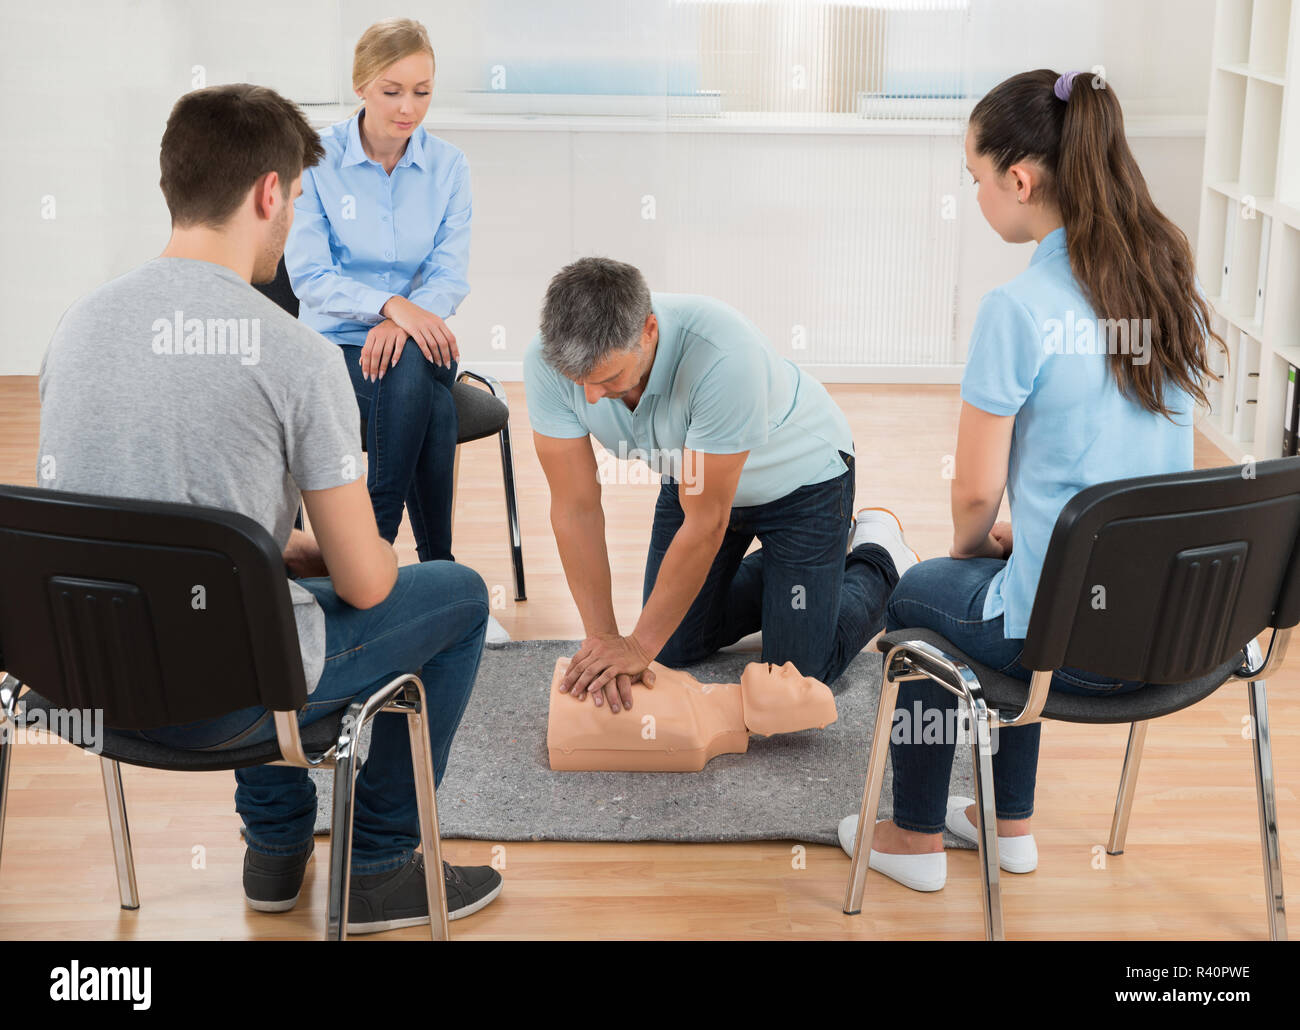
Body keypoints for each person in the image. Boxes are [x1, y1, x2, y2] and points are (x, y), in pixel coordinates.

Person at [35, 82, 502, 931]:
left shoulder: (75, 329)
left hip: (90, 685)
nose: (289, 221)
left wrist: (273, 549)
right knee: (456, 594)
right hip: (221, 703)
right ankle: (379, 870)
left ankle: (276, 853)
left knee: (256, 592)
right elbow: (366, 588)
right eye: (291, 197)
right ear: (267, 193)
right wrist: (350, 552)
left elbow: (127, 518)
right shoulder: (295, 355)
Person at [837, 69, 1220, 891]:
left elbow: (973, 497)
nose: (975, 195)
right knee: (1026, 582)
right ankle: (1006, 826)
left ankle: (913, 840)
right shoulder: (1163, 278)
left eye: (975, 179)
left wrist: (974, 549)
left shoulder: (1017, 309)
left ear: (1020, 179)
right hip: (1172, 628)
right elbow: (1149, 466)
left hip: (1072, 644)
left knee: (920, 601)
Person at [524, 256, 919, 716]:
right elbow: (575, 509)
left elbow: (706, 523)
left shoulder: (723, 354)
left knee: (798, 672)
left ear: (648, 331)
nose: (591, 397)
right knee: (669, 647)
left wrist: (637, 645)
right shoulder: (547, 362)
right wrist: (605, 639)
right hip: (694, 477)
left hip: (802, 484)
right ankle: (793, 575)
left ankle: (879, 554)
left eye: (609, 378)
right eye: (580, 382)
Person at [284, 18, 469, 576]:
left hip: (421, 340)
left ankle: (366, 553)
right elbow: (309, 276)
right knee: (433, 406)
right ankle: (434, 567)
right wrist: (391, 307)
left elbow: (449, 275)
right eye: (392, 91)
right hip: (334, 350)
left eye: (422, 91)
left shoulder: (448, 167)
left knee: (412, 361)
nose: (408, 107)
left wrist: (406, 322)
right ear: (362, 86)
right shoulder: (315, 160)